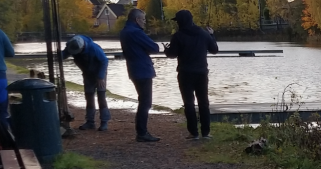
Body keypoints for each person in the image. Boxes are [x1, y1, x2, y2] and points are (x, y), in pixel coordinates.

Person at [164, 9, 219, 139]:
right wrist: (212, 35)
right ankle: (206, 132)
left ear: (180, 22)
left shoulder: (177, 36)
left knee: (189, 103)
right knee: (203, 102)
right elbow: (214, 50)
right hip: (201, 73)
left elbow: (172, 54)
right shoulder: (204, 34)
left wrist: (166, 49)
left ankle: (193, 133)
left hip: (185, 73)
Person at [119, 8, 162, 142]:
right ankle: (142, 132)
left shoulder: (124, 32)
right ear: (137, 20)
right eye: (143, 19)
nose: (145, 22)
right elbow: (154, 47)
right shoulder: (136, 32)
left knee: (142, 100)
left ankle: (141, 131)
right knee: (145, 102)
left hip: (133, 69)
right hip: (143, 70)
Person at [61, 34, 110, 130]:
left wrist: (100, 77)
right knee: (89, 96)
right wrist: (58, 56)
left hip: (99, 72)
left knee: (101, 96)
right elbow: (64, 55)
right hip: (87, 73)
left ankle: (104, 122)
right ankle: (90, 122)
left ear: (82, 47)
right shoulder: (71, 46)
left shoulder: (94, 48)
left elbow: (104, 61)